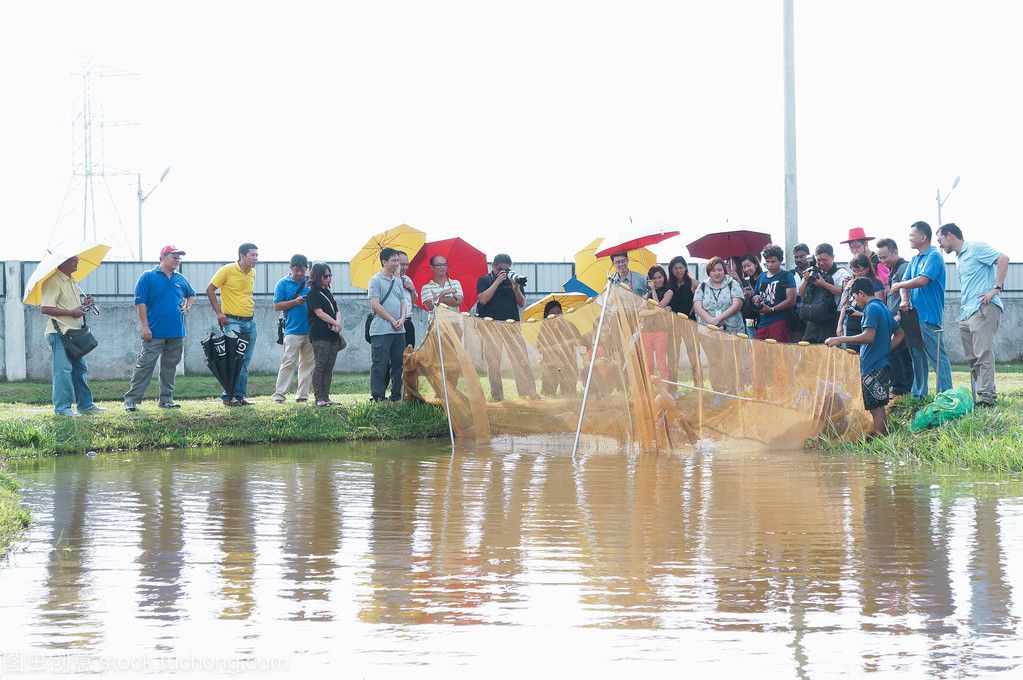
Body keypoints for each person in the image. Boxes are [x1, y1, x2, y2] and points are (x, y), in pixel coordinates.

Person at [936, 223, 1010, 407]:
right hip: (967, 312)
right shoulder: (960, 258)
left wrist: (996, 288)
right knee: (972, 358)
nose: (940, 245)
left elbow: (1003, 258)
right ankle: (980, 395)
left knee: (983, 354)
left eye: (940, 240)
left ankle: (987, 398)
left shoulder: (976, 248)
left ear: (950, 235)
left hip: (983, 309)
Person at [826, 277, 905, 436]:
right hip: (881, 364)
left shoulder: (871, 308)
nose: (855, 300)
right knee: (879, 407)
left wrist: (840, 339)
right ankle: (883, 439)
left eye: (854, 297)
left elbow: (869, 336)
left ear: (861, 293)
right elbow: (900, 333)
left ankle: (877, 443)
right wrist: (884, 349)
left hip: (872, 367)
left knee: (875, 409)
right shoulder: (882, 307)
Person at [123, 245, 196, 411]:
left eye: (179, 257)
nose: (177, 260)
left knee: (170, 367)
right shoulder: (148, 277)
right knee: (145, 365)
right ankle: (132, 400)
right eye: (174, 256)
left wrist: (188, 306)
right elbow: (140, 302)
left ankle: (166, 399)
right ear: (162, 257)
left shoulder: (180, 279)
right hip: (154, 332)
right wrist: (145, 327)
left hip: (176, 332)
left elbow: (191, 294)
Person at [890, 222, 953, 398]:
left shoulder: (934, 256)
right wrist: (904, 299)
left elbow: (923, 280)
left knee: (937, 356)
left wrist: (900, 285)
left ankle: (946, 395)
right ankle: (919, 394)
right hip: (912, 315)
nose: (909, 238)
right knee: (916, 355)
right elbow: (905, 282)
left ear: (923, 237)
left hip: (928, 315)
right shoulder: (915, 259)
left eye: (912, 235)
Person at [40, 255, 102, 417]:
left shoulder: (71, 281)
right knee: (63, 370)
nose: (77, 262)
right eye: (73, 260)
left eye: (77, 259)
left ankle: (86, 405)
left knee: (80, 369)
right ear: (62, 262)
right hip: (59, 332)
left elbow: (72, 308)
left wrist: (85, 305)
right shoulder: (53, 281)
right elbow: (45, 308)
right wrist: (72, 312)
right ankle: (62, 409)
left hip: (74, 333)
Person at [476, 254, 538, 400]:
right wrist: (497, 281)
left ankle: (528, 393)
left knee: (521, 359)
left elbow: (522, 303)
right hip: (491, 327)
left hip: (512, 326)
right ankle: (498, 397)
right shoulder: (485, 280)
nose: (504, 272)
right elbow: (483, 299)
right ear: (493, 267)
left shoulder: (514, 279)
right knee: (494, 362)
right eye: (500, 269)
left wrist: (516, 288)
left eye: (507, 269)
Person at [207, 243, 259, 406]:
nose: (256, 258)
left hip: (249, 322)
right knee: (233, 360)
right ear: (242, 255)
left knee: (244, 362)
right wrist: (219, 313)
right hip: (232, 321)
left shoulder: (253, 273)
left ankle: (239, 396)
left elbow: (246, 294)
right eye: (253, 255)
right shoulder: (227, 270)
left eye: (257, 255)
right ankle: (228, 397)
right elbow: (210, 289)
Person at [692, 257, 745, 393]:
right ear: (709, 272)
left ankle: (734, 391)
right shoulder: (702, 286)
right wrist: (711, 321)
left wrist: (719, 319)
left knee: (730, 361)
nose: (717, 273)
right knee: (714, 362)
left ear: (724, 270)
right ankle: (718, 392)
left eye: (720, 270)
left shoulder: (732, 283)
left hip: (731, 331)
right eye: (713, 270)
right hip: (708, 332)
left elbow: (737, 304)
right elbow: (697, 306)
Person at [271, 254, 312, 404]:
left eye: (303, 270)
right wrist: (296, 301)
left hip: (310, 331)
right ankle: (279, 395)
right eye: (296, 270)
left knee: (307, 365)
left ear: (307, 269)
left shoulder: (311, 283)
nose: (300, 274)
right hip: (292, 330)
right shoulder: (282, 283)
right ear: (291, 268)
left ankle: (302, 396)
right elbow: (277, 306)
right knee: (288, 363)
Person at [368, 248, 407, 402]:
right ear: (384, 262)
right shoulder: (375, 280)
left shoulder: (398, 281)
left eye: (398, 260)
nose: (397, 264)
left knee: (399, 363)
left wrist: (402, 319)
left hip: (399, 330)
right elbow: (375, 305)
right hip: (381, 330)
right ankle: (377, 396)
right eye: (394, 261)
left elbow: (403, 302)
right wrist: (392, 320)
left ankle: (396, 395)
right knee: (380, 364)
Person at [876, 238, 914, 396]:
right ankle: (904, 389)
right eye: (880, 258)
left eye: (885, 257)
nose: (883, 261)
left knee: (894, 351)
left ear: (896, 252)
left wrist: (898, 317)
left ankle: (900, 389)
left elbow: (908, 292)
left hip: (902, 319)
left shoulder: (904, 267)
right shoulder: (893, 270)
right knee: (902, 354)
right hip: (895, 318)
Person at [306, 262, 344, 407]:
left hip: (333, 334)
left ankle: (326, 397)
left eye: (330, 275)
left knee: (329, 367)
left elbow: (337, 311)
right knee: (320, 366)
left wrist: (337, 323)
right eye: (325, 276)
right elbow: (319, 313)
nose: (328, 278)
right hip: (320, 335)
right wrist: (335, 323)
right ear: (317, 276)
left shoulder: (328, 292)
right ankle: (319, 398)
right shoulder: (312, 293)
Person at [796, 243, 848, 344]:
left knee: (829, 350)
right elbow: (801, 293)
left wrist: (823, 284)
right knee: (809, 350)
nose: (821, 263)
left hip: (831, 318)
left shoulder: (841, 272)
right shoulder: (813, 271)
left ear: (833, 257)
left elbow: (843, 292)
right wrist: (806, 280)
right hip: (813, 318)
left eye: (825, 260)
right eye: (819, 260)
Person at [836, 254, 885, 351]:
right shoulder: (851, 283)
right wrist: (839, 324)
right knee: (851, 354)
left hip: (869, 322)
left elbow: (880, 307)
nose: (857, 273)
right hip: (851, 323)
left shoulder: (875, 283)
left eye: (860, 270)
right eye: (854, 270)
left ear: (868, 268)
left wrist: (861, 314)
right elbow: (845, 305)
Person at [536, 300, 584, 398]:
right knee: (548, 394)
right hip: (550, 364)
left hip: (569, 363)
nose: (556, 315)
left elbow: (579, 341)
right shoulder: (544, 329)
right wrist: (554, 347)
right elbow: (540, 349)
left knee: (569, 395)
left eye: (558, 312)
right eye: (553, 313)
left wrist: (568, 342)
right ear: (547, 314)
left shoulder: (569, 325)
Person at [751, 244, 797, 342]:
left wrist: (772, 309)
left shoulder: (786, 275)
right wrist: (756, 298)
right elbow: (756, 294)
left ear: (780, 261)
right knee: (757, 350)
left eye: (773, 261)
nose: (770, 264)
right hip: (763, 321)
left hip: (779, 321)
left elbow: (791, 300)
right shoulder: (762, 276)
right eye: (767, 261)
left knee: (777, 353)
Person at [641, 265, 672, 379]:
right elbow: (641, 312)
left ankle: (665, 389)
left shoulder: (668, 292)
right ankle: (649, 389)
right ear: (650, 280)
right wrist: (655, 311)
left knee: (661, 361)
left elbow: (658, 305)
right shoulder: (646, 294)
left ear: (664, 277)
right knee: (648, 362)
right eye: (654, 278)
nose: (658, 280)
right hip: (646, 331)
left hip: (660, 330)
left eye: (660, 277)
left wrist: (653, 290)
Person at [734, 253, 763, 338]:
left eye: (748, 265)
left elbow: (763, 295)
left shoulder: (763, 277)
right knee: (751, 338)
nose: (746, 269)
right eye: (744, 267)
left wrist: (752, 294)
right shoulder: (747, 280)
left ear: (756, 264)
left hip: (761, 315)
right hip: (750, 316)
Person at [788, 243, 812, 342]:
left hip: (812, 314)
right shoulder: (790, 274)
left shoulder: (815, 271)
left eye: (802, 256)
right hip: (795, 314)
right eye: (796, 257)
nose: (799, 259)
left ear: (808, 256)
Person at [397, 251, 418, 348]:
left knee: (409, 355)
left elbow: (412, 303)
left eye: (407, 264)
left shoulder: (407, 279)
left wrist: (412, 289)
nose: (405, 267)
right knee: (395, 358)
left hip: (408, 321)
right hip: (395, 322)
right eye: (402, 264)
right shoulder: (387, 280)